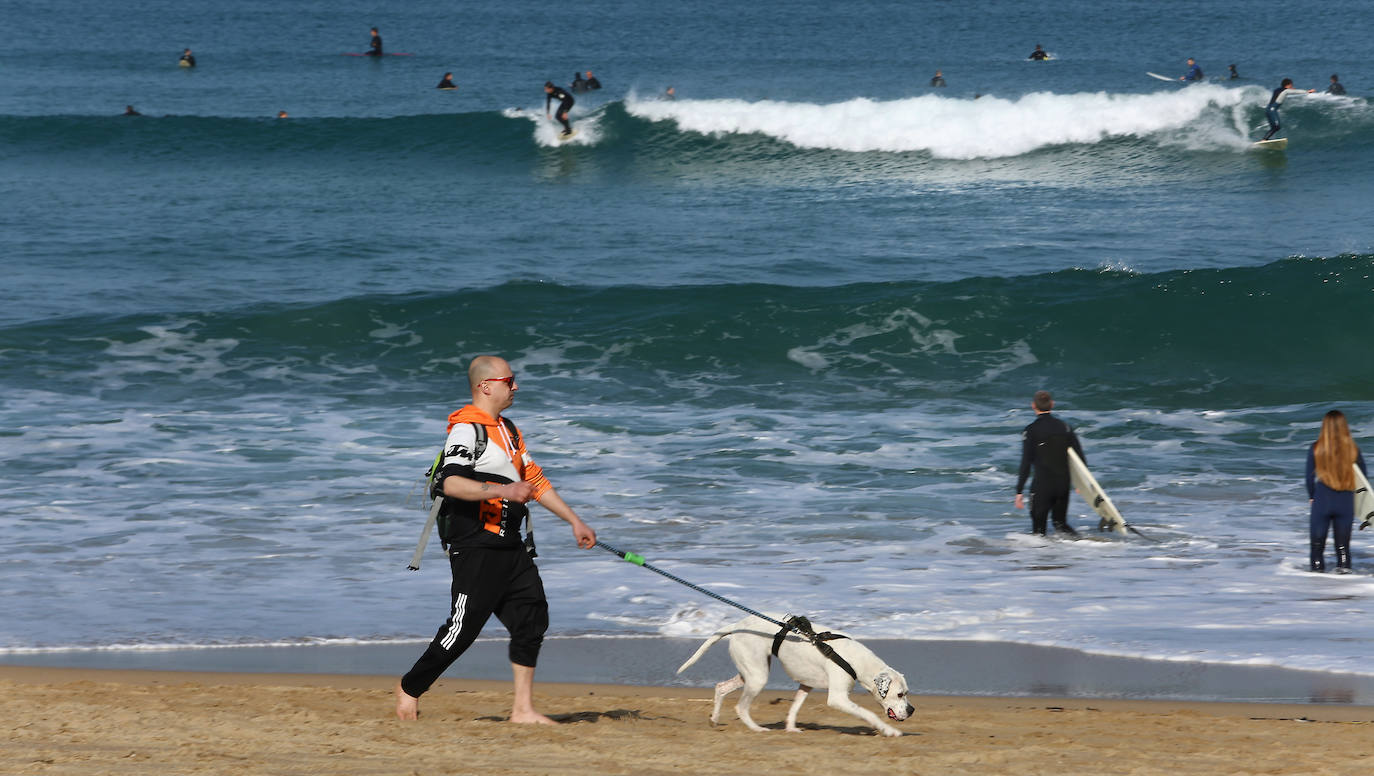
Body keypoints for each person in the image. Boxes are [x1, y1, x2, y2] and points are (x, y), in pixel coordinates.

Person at [395, 355, 597, 722]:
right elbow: (450, 482)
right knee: (462, 629)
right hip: (476, 545)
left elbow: (534, 481)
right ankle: (410, 687)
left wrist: (574, 521)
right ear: (486, 386)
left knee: (531, 619)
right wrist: (503, 491)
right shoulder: (466, 430)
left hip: (511, 545)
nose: (515, 386)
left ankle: (523, 709)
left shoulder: (509, 429)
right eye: (509, 380)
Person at [1014, 390, 1082, 537]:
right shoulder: (1065, 427)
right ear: (1052, 404)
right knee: (1060, 524)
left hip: (1042, 486)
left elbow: (1026, 462)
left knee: (1039, 532)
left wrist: (1019, 491)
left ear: (1033, 405)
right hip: (1063, 485)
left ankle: (1043, 553)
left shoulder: (1031, 430)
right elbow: (1079, 457)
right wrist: (1080, 483)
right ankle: (1082, 545)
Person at [1305, 410, 1365, 573]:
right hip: (1345, 502)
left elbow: (1309, 478)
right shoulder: (1353, 449)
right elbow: (1362, 478)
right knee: (1343, 547)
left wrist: (1312, 496)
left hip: (1322, 501)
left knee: (1317, 547)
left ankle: (1316, 581)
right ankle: (1344, 582)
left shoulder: (1316, 448)